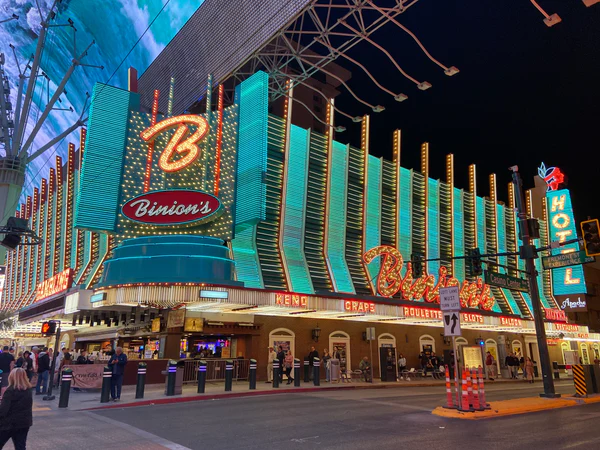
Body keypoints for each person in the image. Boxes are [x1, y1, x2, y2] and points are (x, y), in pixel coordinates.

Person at [0, 368, 33, 450]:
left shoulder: (10, 391)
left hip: (9, 424)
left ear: (11, 377)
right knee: (20, 446)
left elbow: (3, 411)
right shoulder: (28, 390)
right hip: (24, 423)